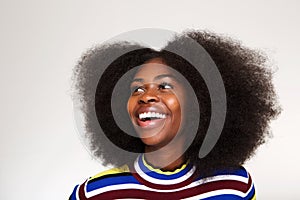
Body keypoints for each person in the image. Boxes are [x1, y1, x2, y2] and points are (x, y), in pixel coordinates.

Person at [69, 30, 281, 199]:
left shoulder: (234, 186)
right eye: (137, 89)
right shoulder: (97, 193)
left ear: (199, 101)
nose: (146, 97)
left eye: (165, 86)